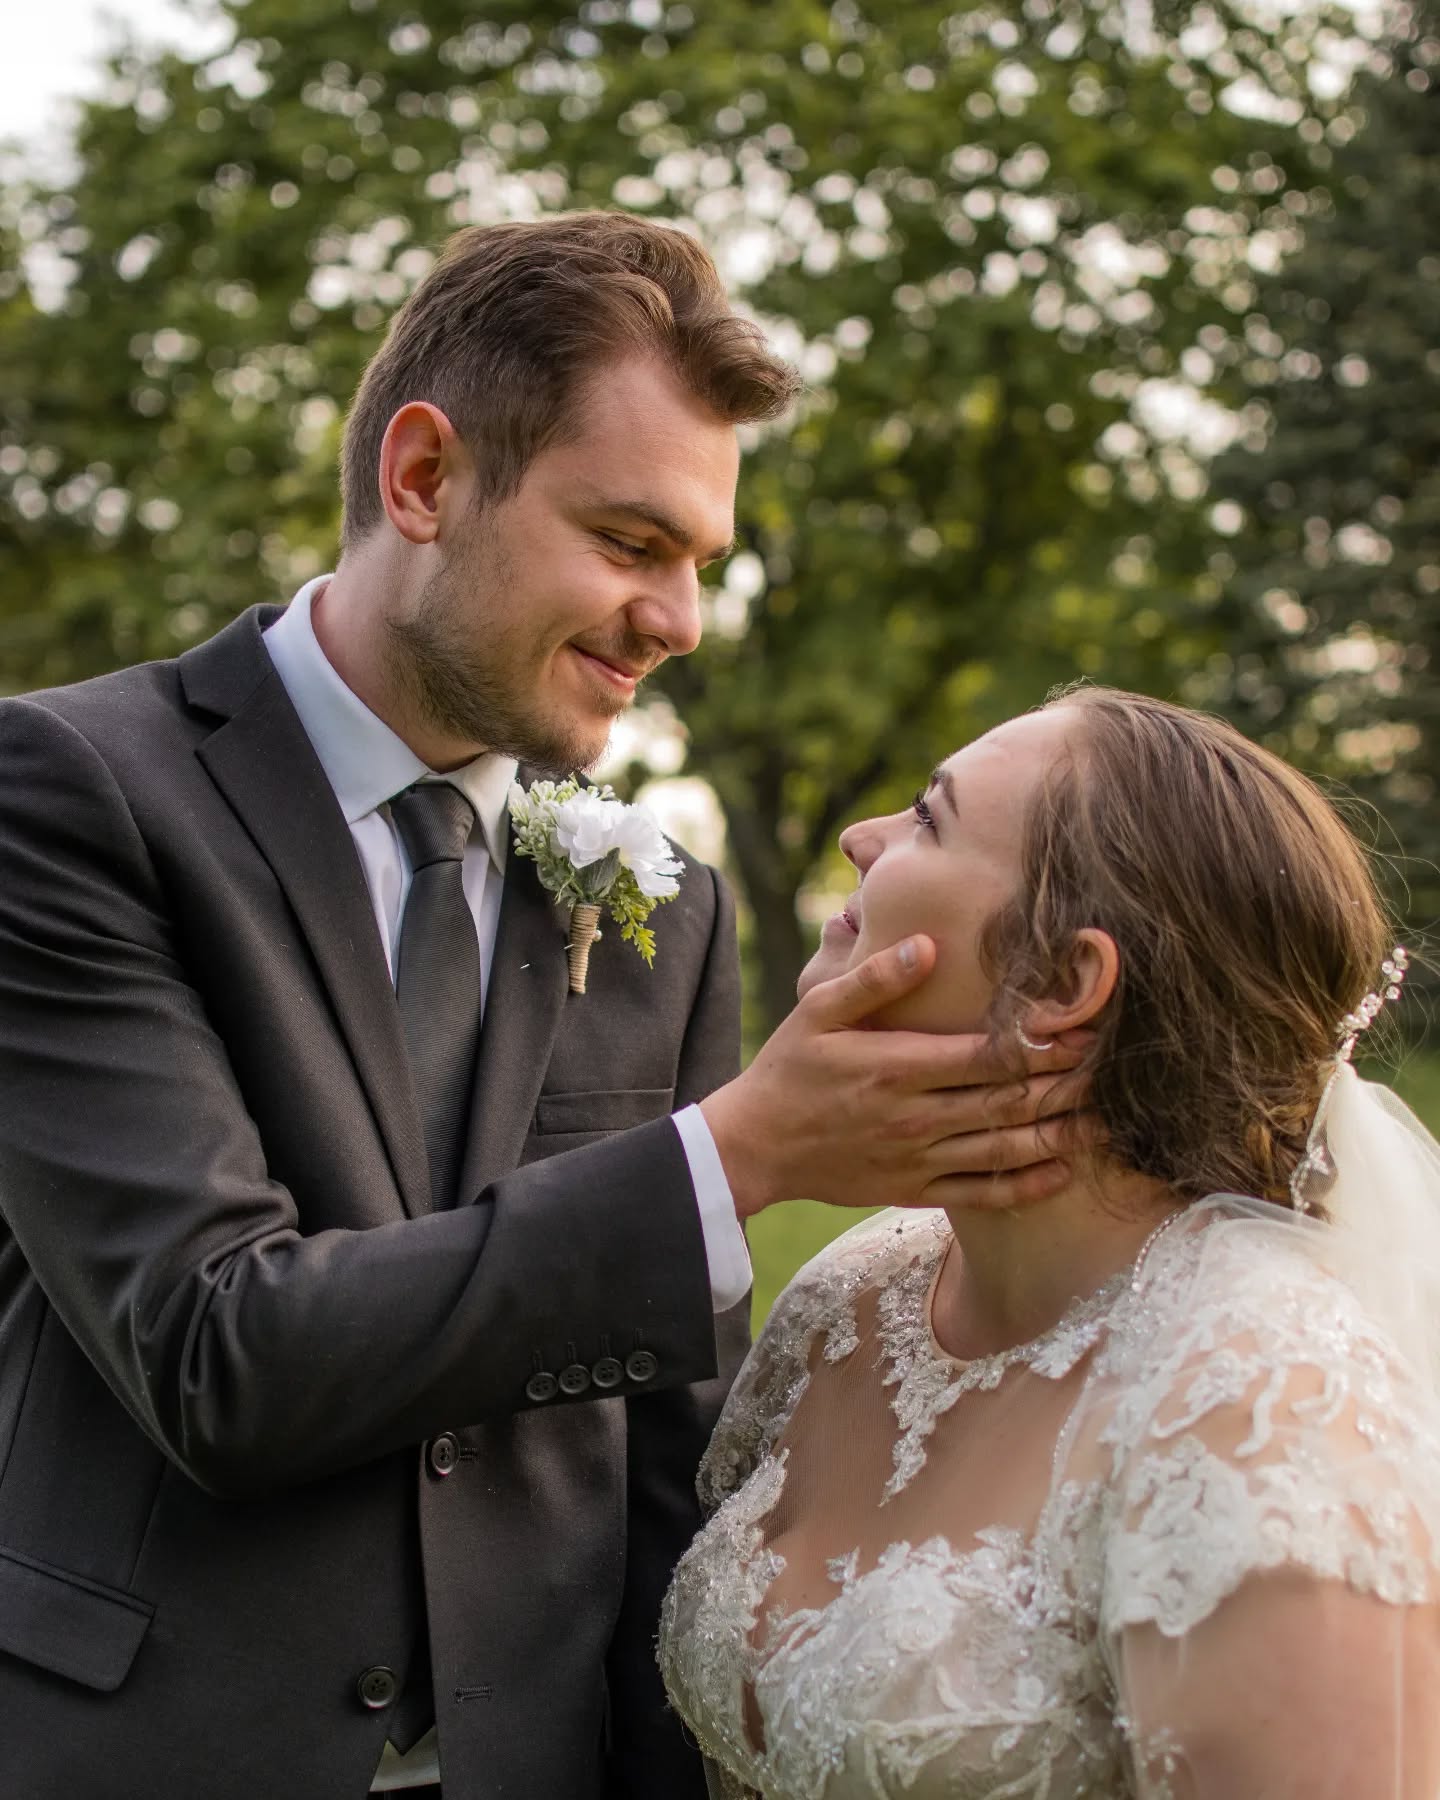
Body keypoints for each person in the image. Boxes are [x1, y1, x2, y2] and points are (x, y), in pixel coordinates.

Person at [0, 213, 1084, 1800]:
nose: (681, 620)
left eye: (701, 565)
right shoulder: (70, 795)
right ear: (423, 479)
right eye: (632, 543)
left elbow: (666, 1465)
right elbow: (213, 1351)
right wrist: (737, 1158)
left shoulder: (665, 910)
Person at [662, 685, 1440, 1799]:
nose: (860, 837)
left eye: (928, 818)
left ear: (1063, 984)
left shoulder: (1263, 1412)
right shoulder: (851, 1298)